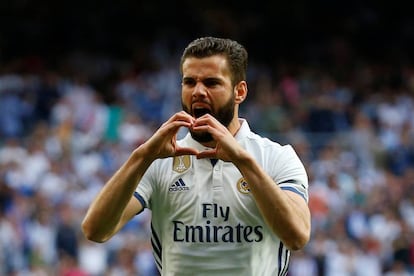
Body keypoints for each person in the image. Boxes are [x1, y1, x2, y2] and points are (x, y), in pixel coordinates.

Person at [82, 36, 311, 275]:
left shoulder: (277, 158)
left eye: (211, 83)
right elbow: (95, 231)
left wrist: (243, 161)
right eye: (189, 82)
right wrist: (142, 156)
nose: (198, 92)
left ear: (239, 91)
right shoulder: (158, 160)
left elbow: (297, 237)